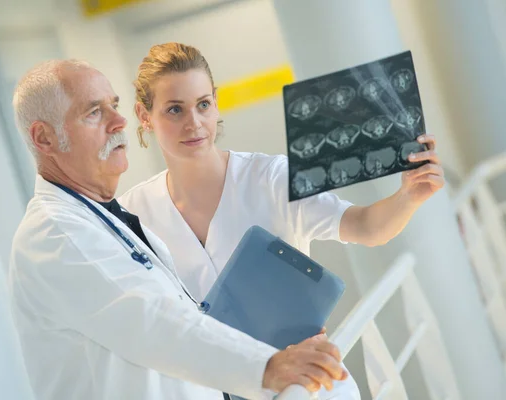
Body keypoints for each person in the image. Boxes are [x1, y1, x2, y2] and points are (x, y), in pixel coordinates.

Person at [8, 59, 350, 400]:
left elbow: (180, 317)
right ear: (44, 138)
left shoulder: (109, 217)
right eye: (93, 113)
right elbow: (150, 321)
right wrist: (268, 366)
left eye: (113, 105)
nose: (119, 121)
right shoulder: (54, 234)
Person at [119, 43, 446, 397]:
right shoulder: (132, 213)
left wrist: (409, 196)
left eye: (202, 105)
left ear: (215, 103)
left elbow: (366, 227)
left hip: (308, 386)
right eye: (174, 110)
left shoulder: (270, 178)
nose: (194, 123)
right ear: (144, 115)